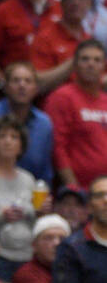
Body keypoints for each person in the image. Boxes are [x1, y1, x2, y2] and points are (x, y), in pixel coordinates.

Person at [0, 61, 55, 185]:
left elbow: (45, 172)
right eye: (16, 81)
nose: (22, 85)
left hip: (30, 195)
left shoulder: (44, 125)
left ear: (36, 89)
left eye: (28, 81)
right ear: (5, 87)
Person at [0, 115, 37, 280]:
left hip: (26, 257)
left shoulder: (28, 179)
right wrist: (0, 217)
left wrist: (37, 212)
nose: (8, 141)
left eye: (14, 137)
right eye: (2, 136)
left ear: (21, 145)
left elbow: (34, 220)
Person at [45, 39, 107, 189]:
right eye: (85, 59)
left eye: (97, 60)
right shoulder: (61, 97)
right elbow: (58, 148)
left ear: (104, 66)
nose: (91, 64)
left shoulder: (105, 100)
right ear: (75, 64)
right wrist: (73, 188)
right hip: (76, 192)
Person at [12, 215, 71, 283]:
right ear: (34, 245)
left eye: (62, 239)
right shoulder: (25, 275)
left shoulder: (75, 270)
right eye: (48, 238)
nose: (56, 243)